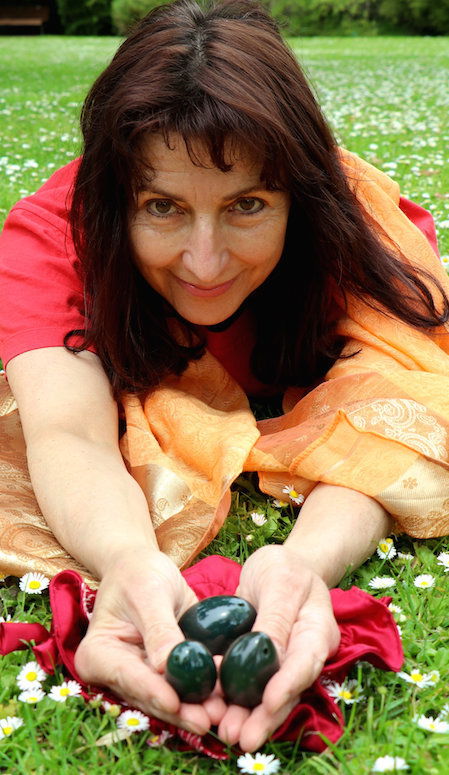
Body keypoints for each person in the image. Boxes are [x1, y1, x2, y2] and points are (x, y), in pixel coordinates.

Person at [1, 0, 449, 753]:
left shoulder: (358, 227)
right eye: (162, 207)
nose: (203, 262)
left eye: (246, 205)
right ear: (115, 204)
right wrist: (127, 562)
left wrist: (302, 563)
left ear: (296, 198)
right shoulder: (54, 236)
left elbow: (402, 402)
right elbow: (68, 429)